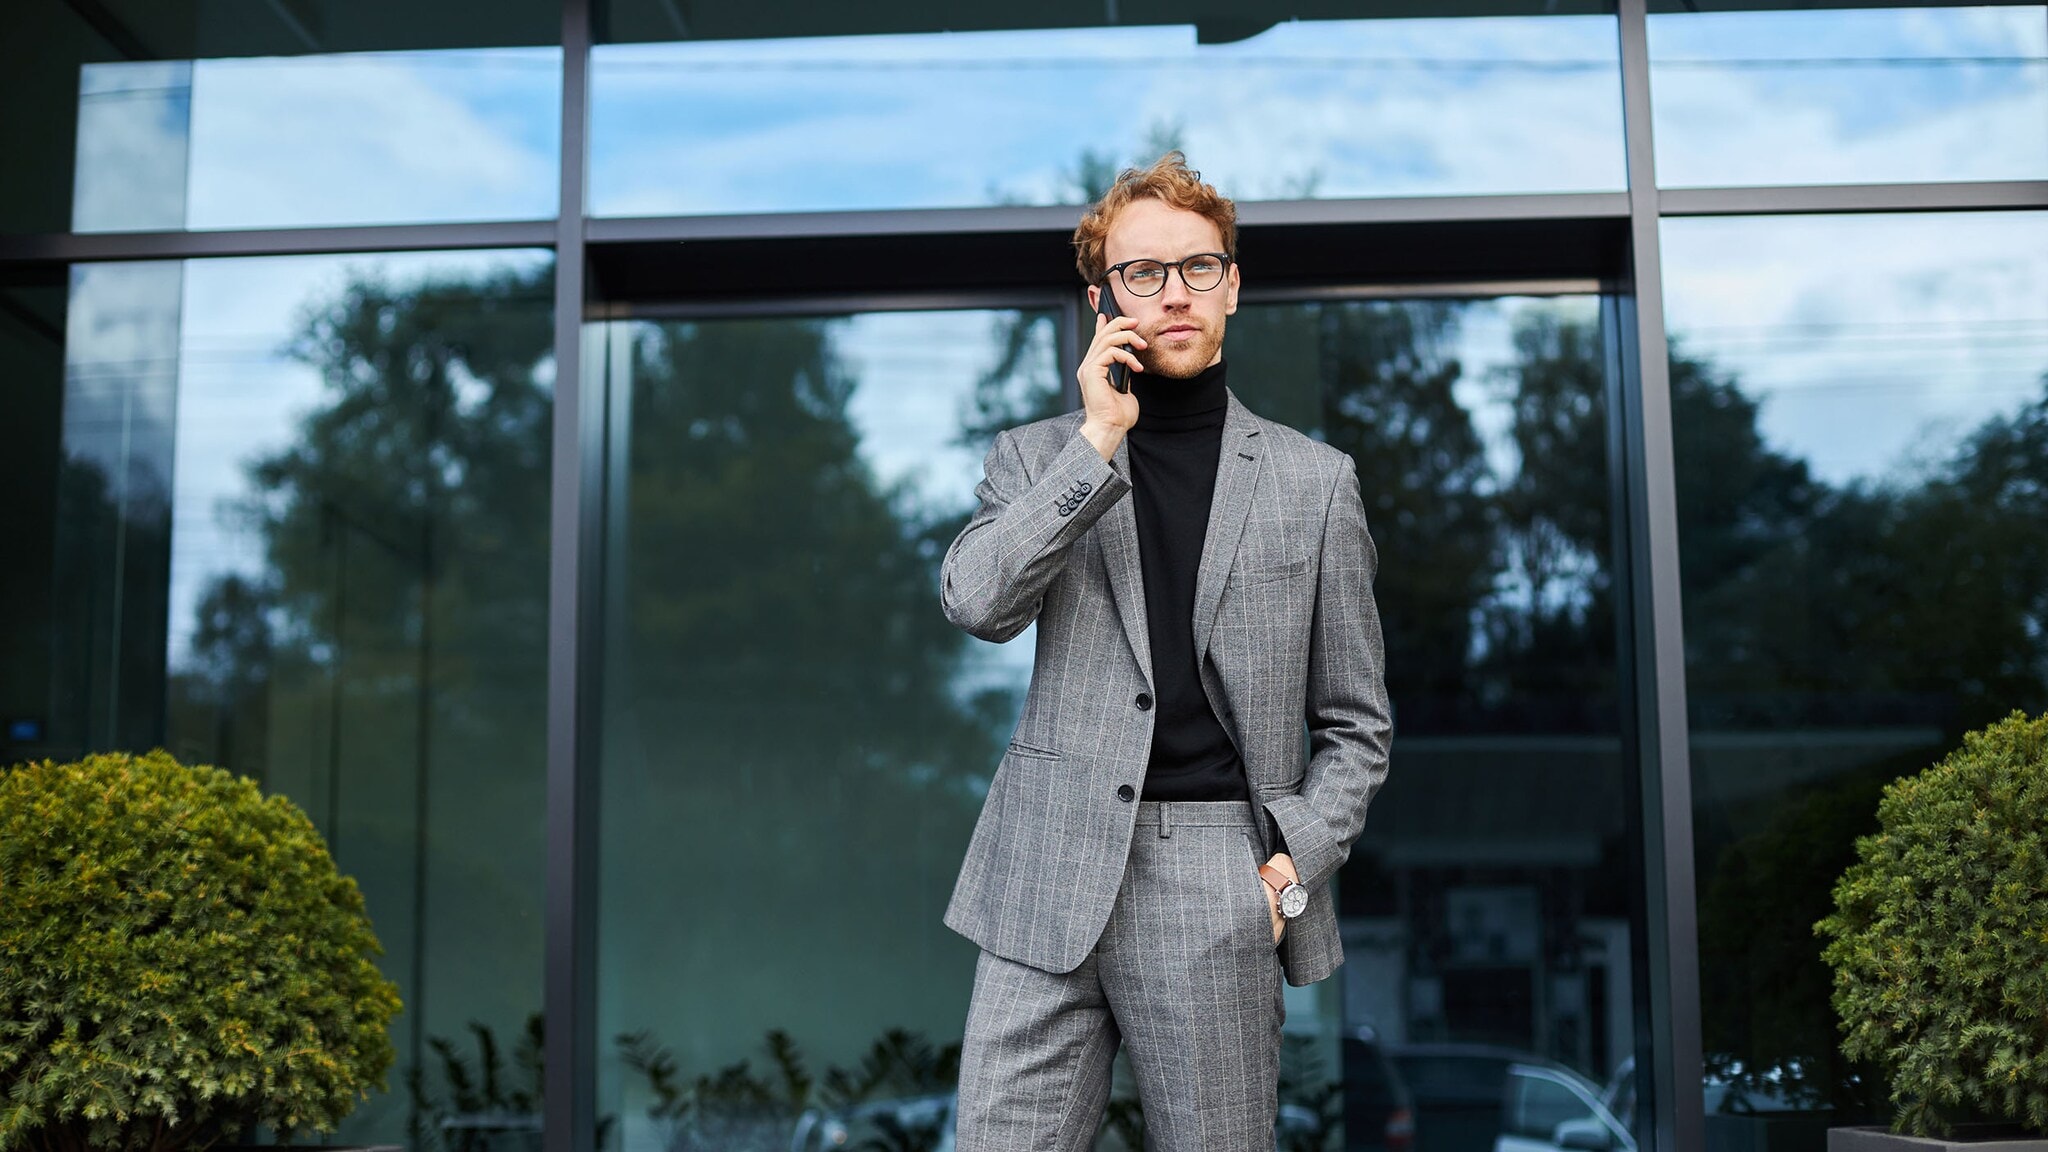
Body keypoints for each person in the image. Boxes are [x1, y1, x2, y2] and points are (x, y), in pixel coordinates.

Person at [937, 151, 1394, 1151]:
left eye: (1195, 267)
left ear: (1231, 283)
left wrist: (1288, 868)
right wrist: (1093, 444)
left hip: (1216, 877)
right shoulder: (1035, 455)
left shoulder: (1314, 485)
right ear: (1102, 296)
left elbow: (1356, 725)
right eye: (1141, 273)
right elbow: (976, 602)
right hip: (1042, 872)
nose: (1172, 293)